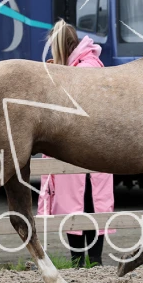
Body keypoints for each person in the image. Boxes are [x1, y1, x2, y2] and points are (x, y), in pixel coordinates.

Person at [37, 20, 115, 267]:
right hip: (91, 149)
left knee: (79, 204)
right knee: (88, 204)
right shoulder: (86, 65)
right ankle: (90, 262)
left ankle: (83, 262)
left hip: (80, 149)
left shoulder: (81, 70)